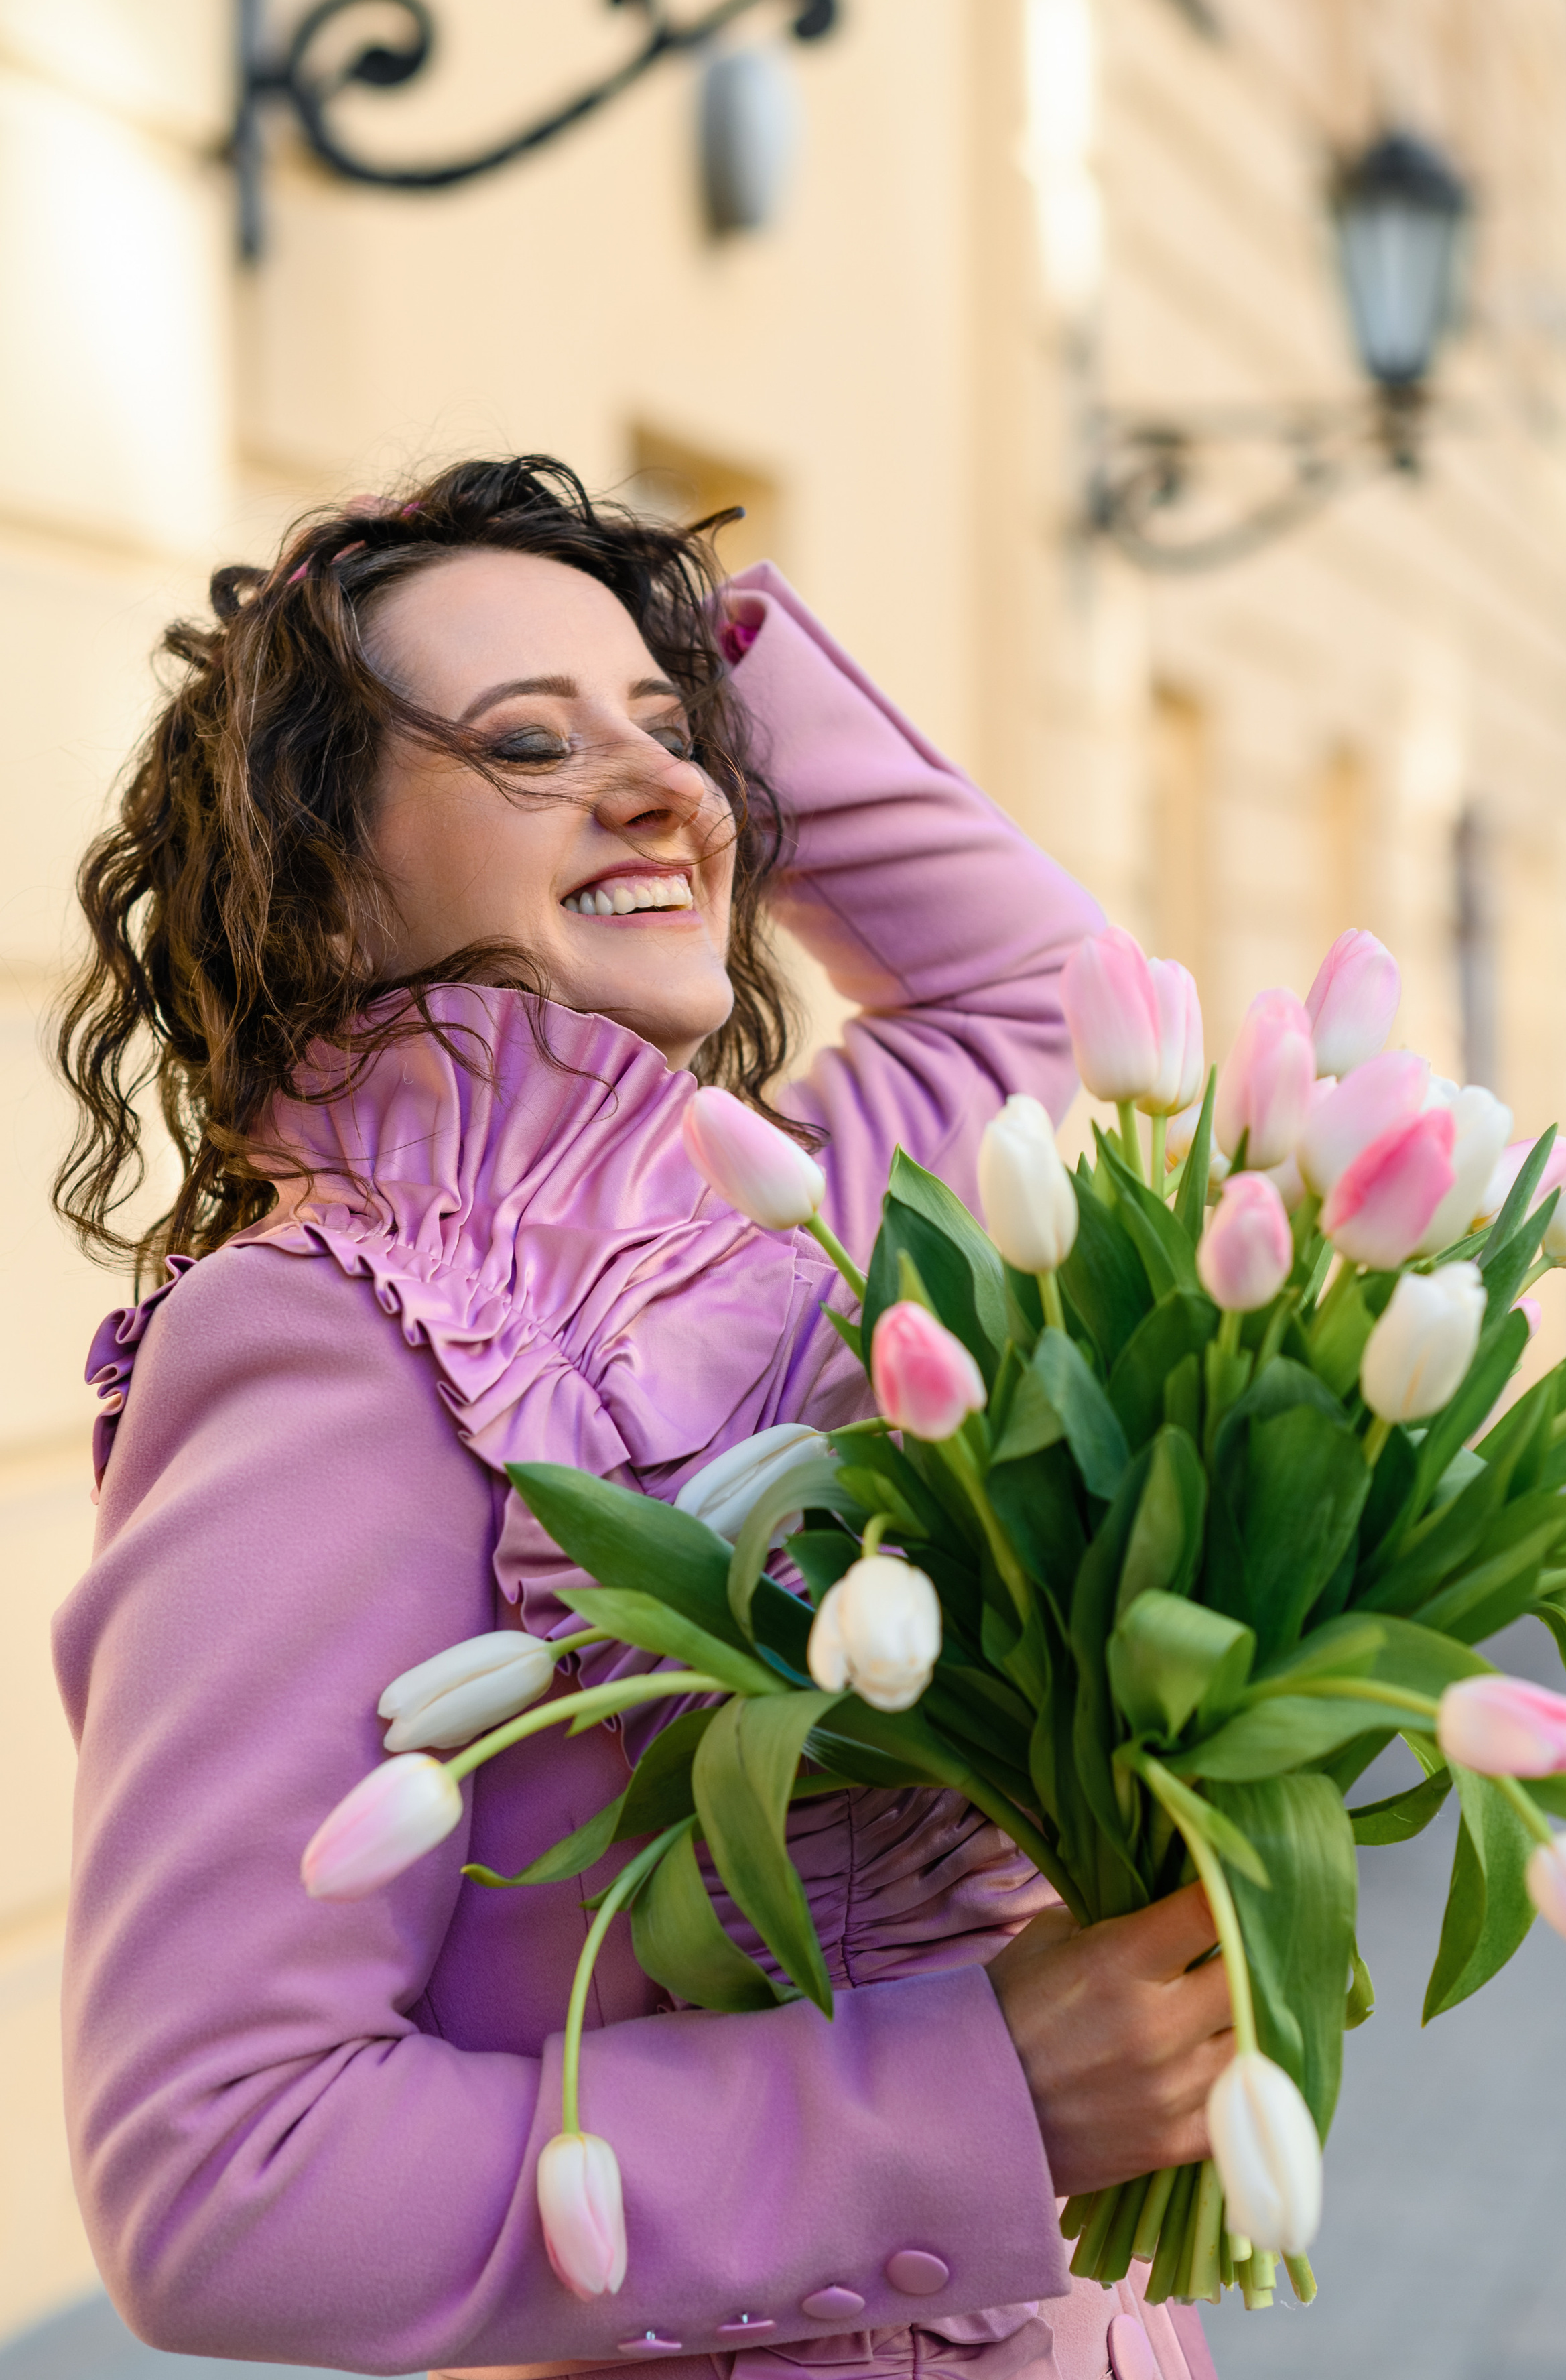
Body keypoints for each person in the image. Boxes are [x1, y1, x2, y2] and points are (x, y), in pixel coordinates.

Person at [51, 458, 1234, 2380]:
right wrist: (976, 2100)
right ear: (322, 863)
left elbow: (1039, 985)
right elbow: (224, 2177)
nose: (672, 788)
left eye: (680, 743)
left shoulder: (788, 1206)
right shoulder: (330, 1342)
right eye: (522, 740)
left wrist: (691, 651)